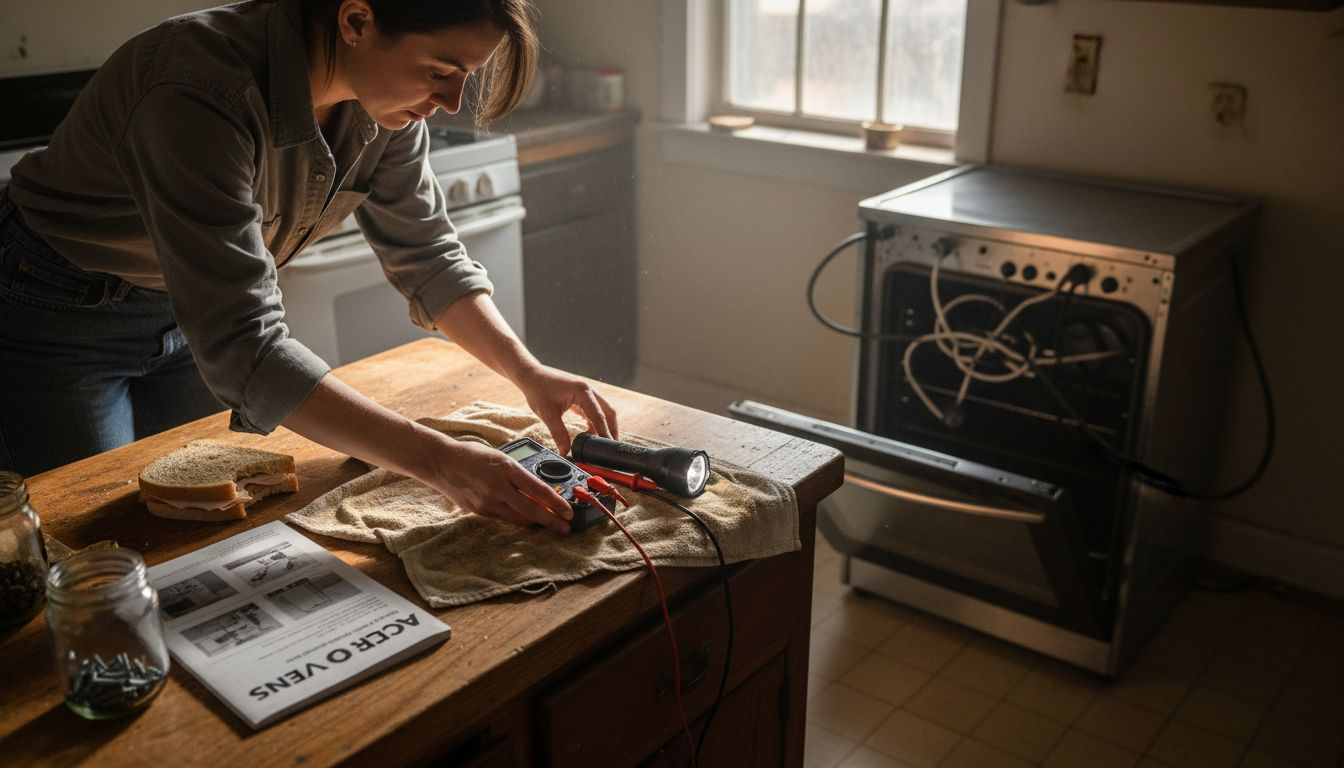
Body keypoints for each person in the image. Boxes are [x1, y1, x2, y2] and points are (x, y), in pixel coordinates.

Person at [0, 0, 615, 534]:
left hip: (191, 317)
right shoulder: (194, 89)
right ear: (356, 19)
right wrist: (441, 463)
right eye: (440, 71)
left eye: (466, 77)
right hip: (56, 311)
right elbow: (246, 348)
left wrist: (529, 374)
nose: (450, 102)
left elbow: (428, 255)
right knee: (87, 541)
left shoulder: (385, 103)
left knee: (199, 519)